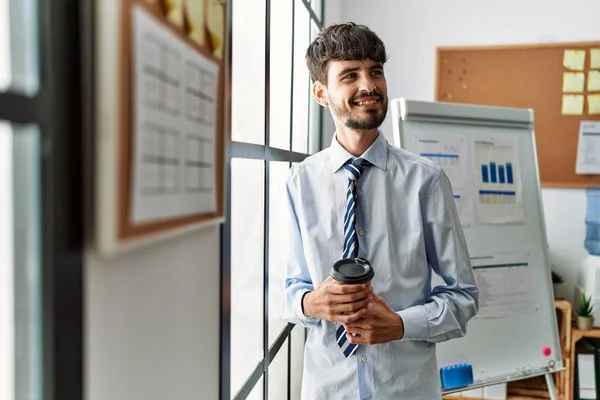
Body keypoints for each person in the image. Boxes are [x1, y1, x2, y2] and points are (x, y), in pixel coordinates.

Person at [281, 22, 479, 399]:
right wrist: (311, 302)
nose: (368, 86)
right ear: (321, 93)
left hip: (406, 389)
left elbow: (464, 296)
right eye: (350, 75)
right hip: (328, 390)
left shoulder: (427, 181)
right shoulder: (298, 183)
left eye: (375, 71)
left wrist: (401, 325)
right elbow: (284, 290)